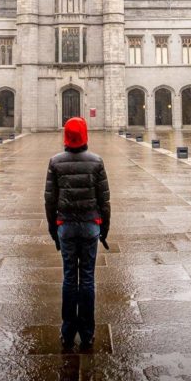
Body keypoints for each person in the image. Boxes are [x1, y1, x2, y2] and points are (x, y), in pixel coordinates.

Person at [44, 116, 111, 350]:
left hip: (66, 227)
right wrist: (104, 230)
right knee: (88, 278)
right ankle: (88, 333)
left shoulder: (55, 162)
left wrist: (54, 230)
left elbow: (49, 200)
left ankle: (67, 332)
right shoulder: (96, 161)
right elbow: (105, 200)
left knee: (69, 278)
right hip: (91, 225)